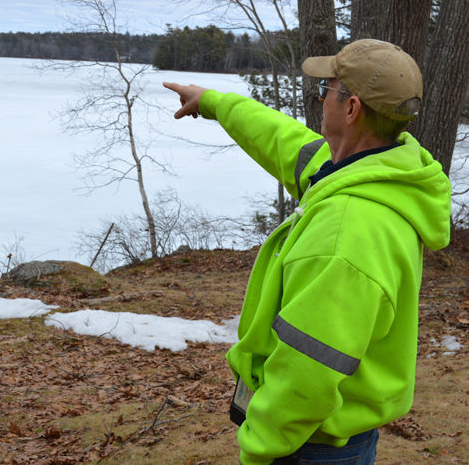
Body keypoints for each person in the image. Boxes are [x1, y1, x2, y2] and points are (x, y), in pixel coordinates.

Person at [163, 39, 451, 465]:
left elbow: (307, 374)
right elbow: (282, 139)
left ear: (351, 108)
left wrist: (259, 450)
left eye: (326, 91)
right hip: (334, 436)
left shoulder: (346, 232)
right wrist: (214, 103)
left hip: (308, 447)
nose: (320, 101)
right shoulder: (374, 170)